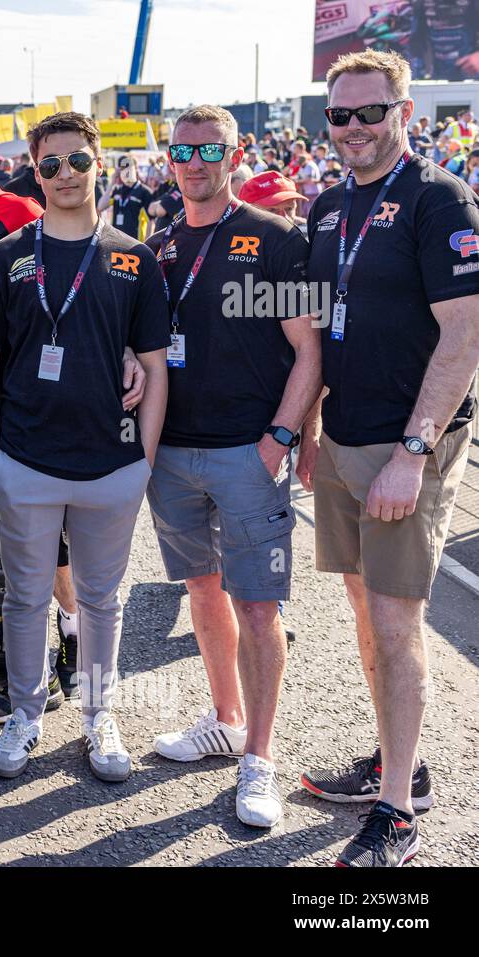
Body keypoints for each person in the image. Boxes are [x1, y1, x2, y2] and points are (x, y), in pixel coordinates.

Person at [296, 50, 479, 867]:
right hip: (344, 434)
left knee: (398, 626)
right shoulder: (329, 205)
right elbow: (314, 328)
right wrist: (307, 430)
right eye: (342, 115)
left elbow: (465, 333)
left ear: (404, 111)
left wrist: (414, 449)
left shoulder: (439, 196)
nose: (356, 128)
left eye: (373, 112)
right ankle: (396, 763)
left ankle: (398, 813)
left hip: (410, 442)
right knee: (368, 620)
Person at [0, 109, 147, 719]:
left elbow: (81, 277)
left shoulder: (17, 214)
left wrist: (119, 345)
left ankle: (70, 643)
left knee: (56, 551)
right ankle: (23, 677)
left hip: (33, 406)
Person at [0, 111, 168, 782]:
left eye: (77, 161)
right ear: (34, 168)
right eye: (50, 164)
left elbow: (155, 364)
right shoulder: (7, 257)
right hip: (25, 463)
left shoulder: (131, 258)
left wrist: (143, 460)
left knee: (102, 599)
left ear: (97, 164)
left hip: (111, 464)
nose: (65, 175)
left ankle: (97, 714)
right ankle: (26, 715)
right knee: (25, 597)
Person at [143, 106, 321, 829]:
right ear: (169, 159)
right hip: (175, 454)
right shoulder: (157, 248)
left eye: (208, 148)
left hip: (250, 449)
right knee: (202, 592)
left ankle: (260, 759)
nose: (193, 161)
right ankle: (224, 719)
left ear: (234, 152)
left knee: (257, 604)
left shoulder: (276, 237)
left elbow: (311, 349)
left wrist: (281, 438)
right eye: (181, 150)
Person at [98, 152, 155, 239]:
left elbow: (151, 221)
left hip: (136, 244)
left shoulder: (145, 192)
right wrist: (112, 183)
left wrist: (148, 245)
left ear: (135, 168)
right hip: (117, 242)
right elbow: (101, 207)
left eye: (128, 167)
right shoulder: (117, 190)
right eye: (122, 168)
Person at [238, 170, 309, 229]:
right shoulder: (232, 238)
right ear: (248, 212)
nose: (284, 218)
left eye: (289, 209)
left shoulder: (305, 233)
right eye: (272, 210)